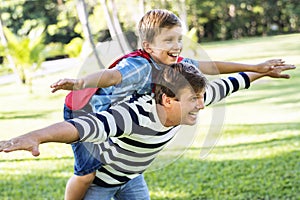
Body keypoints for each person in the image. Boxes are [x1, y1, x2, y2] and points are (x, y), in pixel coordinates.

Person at [48, 9, 295, 199]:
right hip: (85, 109)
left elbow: (210, 67)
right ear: (148, 46)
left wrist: (254, 67)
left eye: (178, 39)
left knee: (121, 153)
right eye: (168, 41)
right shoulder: (139, 66)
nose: (176, 46)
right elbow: (111, 76)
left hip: (114, 111)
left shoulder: (173, 66)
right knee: (87, 172)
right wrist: (80, 82)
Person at [0, 62, 295, 200]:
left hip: (132, 179)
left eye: (201, 98)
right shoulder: (135, 116)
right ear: (168, 100)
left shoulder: (190, 96)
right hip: (99, 185)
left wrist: (263, 70)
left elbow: (235, 82)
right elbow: (81, 127)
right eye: (194, 101)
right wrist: (35, 136)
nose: (201, 106)